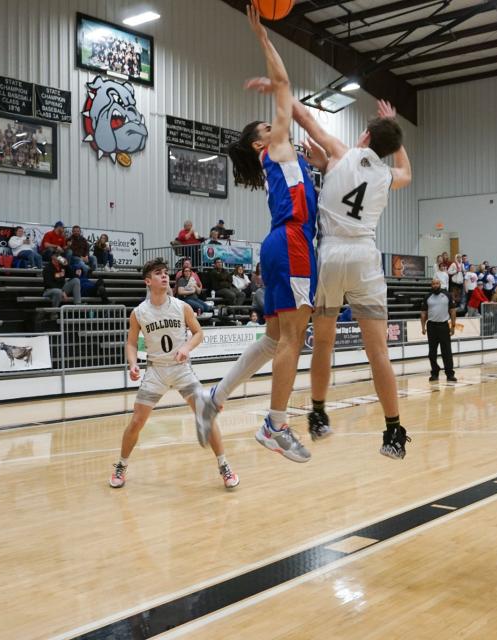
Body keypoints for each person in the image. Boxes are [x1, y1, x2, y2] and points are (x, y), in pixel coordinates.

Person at [248, 83, 412, 456]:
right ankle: (392, 432)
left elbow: (303, 117)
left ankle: (318, 415)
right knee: (379, 352)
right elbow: (406, 170)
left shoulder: (342, 153)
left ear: (365, 135)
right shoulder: (388, 176)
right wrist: (394, 131)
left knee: (322, 341)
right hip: (365, 258)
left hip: (331, 254)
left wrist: (278, 87)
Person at [195, 5, 318, 464]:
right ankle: (276, 424)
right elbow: (285, 87)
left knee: (272, 338)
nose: (274, 124)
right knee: (292, 339)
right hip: (292, 242)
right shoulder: (277, 147)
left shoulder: (281, 156)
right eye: (267, 126)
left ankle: (215, 398)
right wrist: (263, 38)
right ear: (259, 143)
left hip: (281, 243)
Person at [109, 259, 239, 490]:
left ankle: (224, 466)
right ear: (148, 281)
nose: (164, 276)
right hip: (155, 371)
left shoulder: (182, 307)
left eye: (165, 273)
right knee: (137, 421)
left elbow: (199, 333)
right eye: (158, 273)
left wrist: (186, 348)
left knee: (205, 417)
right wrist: (132, 364)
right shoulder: (139, 313)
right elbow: (130, 344)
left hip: (181, 369)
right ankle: (121, 465)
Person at [421, 277, 457, 382]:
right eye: (433, 284)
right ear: (431, 285)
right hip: (431, 327)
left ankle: (450, 374)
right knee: (432, 353)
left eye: (437, 283)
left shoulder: (447, 295)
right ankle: (435, 373)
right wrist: (423, 327)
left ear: (440, 284)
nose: (435, 285)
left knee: (447, 352)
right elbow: (423, 313)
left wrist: (453, 326)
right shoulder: (427, 297)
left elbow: (453, 311)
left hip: (444, 326)